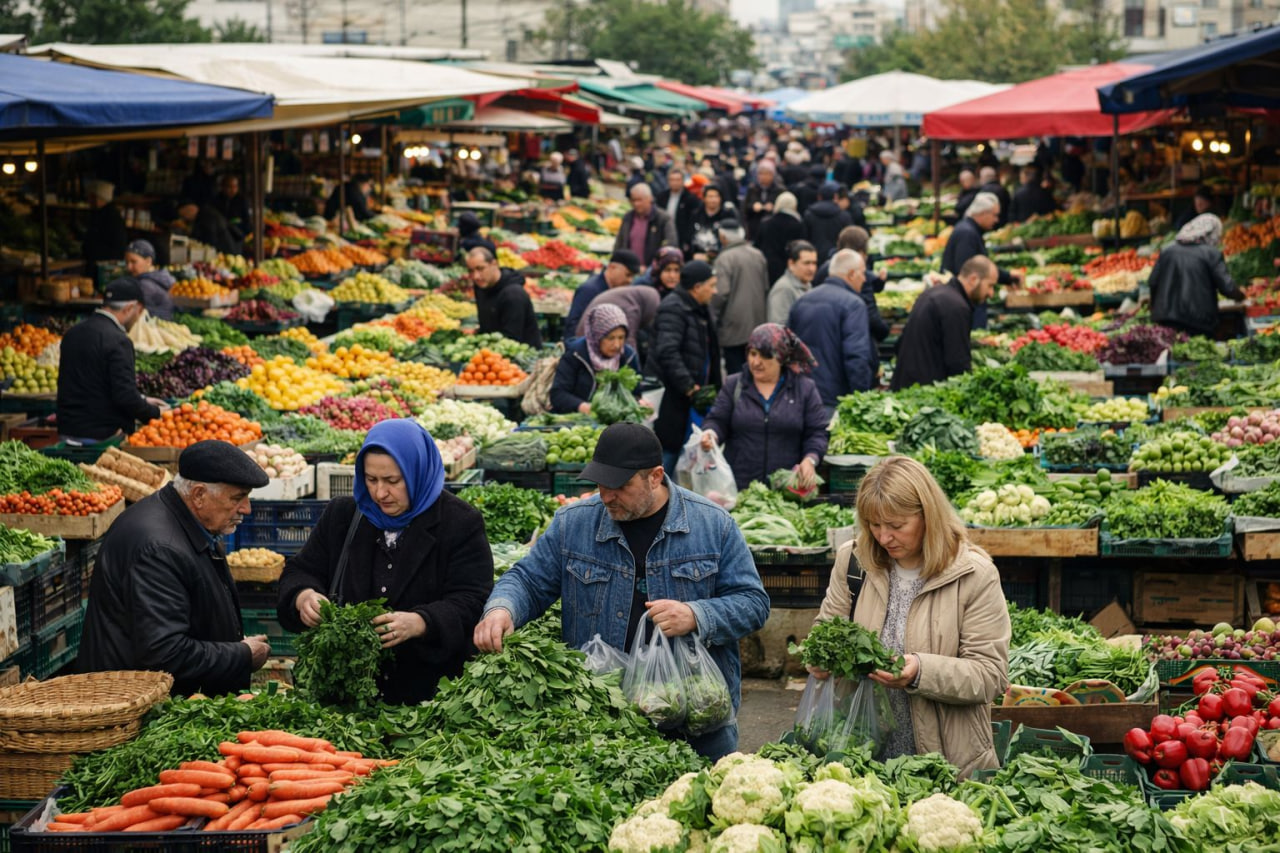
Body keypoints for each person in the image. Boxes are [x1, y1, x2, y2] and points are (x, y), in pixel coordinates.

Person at [473, 422, 770, 760]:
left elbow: (753, 602)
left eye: (620, 486)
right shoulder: (574, 524)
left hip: (695, 718)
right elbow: (528, 579)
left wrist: (697, 615)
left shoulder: (713, 525)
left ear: (655, 476)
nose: (606, 496)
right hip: (604, 719)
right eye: (601, 484)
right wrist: (502, 609)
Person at [810, 455, 1010, 778]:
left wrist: (920, 671)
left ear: (927, 516)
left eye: (896, 526)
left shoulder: (974, 574)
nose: (883, 537)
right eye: (874, 525)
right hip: (863, 758)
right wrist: (818, 656)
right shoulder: (853, 561)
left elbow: (990, 675)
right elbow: (827, 629)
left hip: (947, 765)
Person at [276, 420, 493, 704]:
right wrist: (303, 596)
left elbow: (473, 599)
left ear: (416, 473)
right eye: (371, 479)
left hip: (428, 699)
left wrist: (421, 622)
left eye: (392, 481)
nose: (380, 493)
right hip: (346, 698)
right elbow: (300, 570)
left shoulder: (459, 523)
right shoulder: (344, 515)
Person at [79, 440, 273, 696]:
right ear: (199, 495)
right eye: (237, 498)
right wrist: (241, 655)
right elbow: (164, 653)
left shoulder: (188, 523)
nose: (246, 508)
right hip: (136, 705)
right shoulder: (158, 549)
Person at [699, 323, 829, 491]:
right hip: (740, 487)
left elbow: (817, 432)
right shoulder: (734, 385)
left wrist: (810, 459)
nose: (756, 362)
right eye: (753, 354)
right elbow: (717, 420)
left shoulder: (804, 389)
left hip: (786, 488)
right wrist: (711, 433)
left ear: (781, 358)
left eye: (765, 356)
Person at [56, 277, 166, 443]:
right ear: (130, 308)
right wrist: (158, 413)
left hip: (68, 431)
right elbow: (125, 397)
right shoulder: (119, 341)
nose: (137, 319)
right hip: (102, 436)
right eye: (139, 313)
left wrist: (142, 399)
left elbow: (91, 382)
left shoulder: (73, 334)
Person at [787, 249, 876, 416]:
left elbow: (787, 350)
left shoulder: (802, 301)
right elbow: (856, 358)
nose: (864, 279)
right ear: (851, 274)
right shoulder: (854, 305)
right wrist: (862, 400)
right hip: (835, 399)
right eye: (863, 274)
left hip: (802, 395)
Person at [653, 261, 722, 473]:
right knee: (670, 453)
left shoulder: (698, 308)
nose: (715, 290)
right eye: (711, 285)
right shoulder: (674, 308)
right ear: (697, 287)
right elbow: (667, 351)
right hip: (676, 398)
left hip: (693, 398)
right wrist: (689, 386)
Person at [891, 256, 998, 390]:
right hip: (925, 392)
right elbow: (958, 363)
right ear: (973, 279)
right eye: (990, 285)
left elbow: (900, 343)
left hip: (906, 384)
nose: (991, 293)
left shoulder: (934, 293)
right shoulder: (957, 307)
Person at [1148, 214, 1244, 336]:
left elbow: (1153, 282)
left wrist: (1156, 308)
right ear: (1212, 233)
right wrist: (1241, 297)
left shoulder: (1167, 250)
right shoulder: (1211, 254)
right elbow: (1227, 287)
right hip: (1198, 320)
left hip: (1166, 318)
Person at [940, 192, 1020, 329]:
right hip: (966, 304)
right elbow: (969, 269)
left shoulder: (970, 230)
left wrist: (1007, 277)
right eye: (994, 215)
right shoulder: (968, 234)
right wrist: (1007, 276)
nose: (996, 220)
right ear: (983, 213)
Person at [552, 304, 643, 415]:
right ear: (597, 336)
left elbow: (636, 392)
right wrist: (582, 406)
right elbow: (558, 394)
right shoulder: (576, 353)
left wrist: (639, 403)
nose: (617, 345)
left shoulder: (628, 356)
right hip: (577, 420)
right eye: (610, 338)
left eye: (621, 337)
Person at [712, 219, 770, 378]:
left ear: (723, 237)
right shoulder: (758, 254)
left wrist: (712, 316)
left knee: (736, 375)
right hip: (758, 324)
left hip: (733, 328)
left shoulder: (724, 259)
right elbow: (765, 288)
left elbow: (720, 293)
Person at [466, 246, 542, 347]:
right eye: (471, 271)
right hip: (492, 351)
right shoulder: (481, 286)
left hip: (522, 354)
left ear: (494, 264)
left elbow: (512, 339)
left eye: (480, 268)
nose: (476, 276)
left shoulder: (513, 294)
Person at [564, 250, 641, 343]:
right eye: (628, 275)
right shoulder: (590, 290)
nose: (630, 280)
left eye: (633, 277)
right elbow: (573, 325)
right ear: (612, 267)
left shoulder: (618, 291)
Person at [576, 282, 662, 361]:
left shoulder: (630, 298)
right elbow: (629, 341)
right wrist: (634, 367)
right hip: (590, 346)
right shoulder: (631, 309)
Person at [614, 183, 678, 267]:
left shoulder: (663, 219)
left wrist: (654, 266)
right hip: (628, 269)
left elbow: (671, 245)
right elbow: (619, 243)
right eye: (633, 200)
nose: (636, 204)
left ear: (650, 199)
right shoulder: (628, 217)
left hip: (652, 271)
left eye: (639, 200)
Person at [755, 191, 806, 286]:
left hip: (767, 266)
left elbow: (757, 245)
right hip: (788, 267)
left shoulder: (766, 223)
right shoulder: (797, 225)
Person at [767, 240, 818, 326]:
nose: (811, 269)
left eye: (814, 263)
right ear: (791, 264)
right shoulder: (783, 289)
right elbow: (779, 327)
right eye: (806, 263)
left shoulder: (807, 285)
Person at [123, 239, 175, 320]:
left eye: (133, 262)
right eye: (127, 262)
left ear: (148, 261)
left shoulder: (144, 285)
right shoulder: (165, 277)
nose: (129, 267)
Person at [804, 181, 854, 263]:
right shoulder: (844, 216)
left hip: (814, 257)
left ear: (819, 196)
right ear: (835, 196)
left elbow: (805, 236)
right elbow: (849, 238)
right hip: (837, 257)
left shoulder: (809, 214)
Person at [82, 181, 128, 270]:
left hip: (105, 265)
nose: (88, 201)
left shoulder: (110, 216)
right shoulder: (101, 213)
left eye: (91, 197)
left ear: (98, 198)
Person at [656, 168, 702, 254]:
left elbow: (693, 221)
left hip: (682, 237)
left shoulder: (691, 199)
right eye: (672, 180)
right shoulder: (661, 197)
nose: (675, 182)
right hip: (663, 236)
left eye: (678, 180)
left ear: (683, 181)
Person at [690, 185, 737, 260]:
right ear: (704, 198)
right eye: (710, 196)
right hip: (698, 256)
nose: (713, 200)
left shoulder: (728, 215)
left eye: (716, 196)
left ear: (720, 198)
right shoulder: (696, 215)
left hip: (722, 257)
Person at [743, 159, 785, 241]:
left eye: (767, 174)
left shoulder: (780, 190)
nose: (763, 177)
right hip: (754, 228)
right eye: (761, 174)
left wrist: (774, 208)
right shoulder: (752, 189)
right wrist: (753, 207)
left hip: (773, 230)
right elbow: (744, 209)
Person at [211, 174, 252, 246]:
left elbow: (247, 221)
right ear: (222, 187)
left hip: (237, 237)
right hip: (220, 238)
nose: (232, 190)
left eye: (235, 186)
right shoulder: (216, 201)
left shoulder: (242, 201)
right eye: (229, 187)